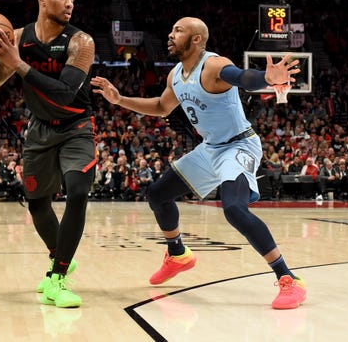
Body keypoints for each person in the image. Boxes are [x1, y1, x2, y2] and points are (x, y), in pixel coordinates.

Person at [91, 17, 306, 310]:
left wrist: (266, 79)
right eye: (172, 28)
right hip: (210, 149)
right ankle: (178, 254)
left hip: (238, 145)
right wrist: (120, 100)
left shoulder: (213, 66)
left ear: (196, 39)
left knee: (233, 209)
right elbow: (160, 107)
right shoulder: (176, 75)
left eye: (178, 30)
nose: (170, 34)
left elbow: (242, 77)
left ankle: (288, 278)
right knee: (157, 194)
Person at [0, 0, 95, 308]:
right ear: (43, 0)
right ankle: (60, 257)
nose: (70, 2)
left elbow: (64, 91)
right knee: (37, 203)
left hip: (76, 126)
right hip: (40, 129)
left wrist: (18, 64)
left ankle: (57, 279)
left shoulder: (81, 42)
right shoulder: (17, 37)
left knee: (77, 192)